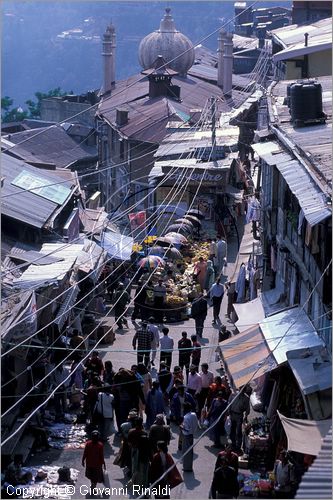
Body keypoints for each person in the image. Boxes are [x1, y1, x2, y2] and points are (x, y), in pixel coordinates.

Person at [127, 417, 151, 492]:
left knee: (135, 468)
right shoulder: (144, 432)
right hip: (143, 452)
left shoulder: (131, 431)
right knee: (143, 469)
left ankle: (136, 485)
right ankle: (143, 484)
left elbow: (129, 443)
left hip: (134, 451)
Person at [229, 385, 252, 452]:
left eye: (243, 389)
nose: (242, 390)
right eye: (241, 389)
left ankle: (238, 446)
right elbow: (229, 403)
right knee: (232, 429)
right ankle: (233, 443)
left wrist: (245, 416)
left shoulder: (246, 398)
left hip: (239, 415)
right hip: (232, 414)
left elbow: (247, 409)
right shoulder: (233, 394)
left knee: (238, 431)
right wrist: (228, 412)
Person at [181, 402, 199, 472]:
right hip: (192, 435)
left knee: (186, 452)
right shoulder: (194, 415)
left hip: (187, 436)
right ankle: (189, 466)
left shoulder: (186, 417)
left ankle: (186, 467)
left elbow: (187, 429)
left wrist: (182, 427)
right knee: (190, 452)